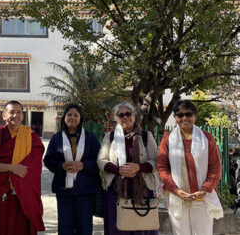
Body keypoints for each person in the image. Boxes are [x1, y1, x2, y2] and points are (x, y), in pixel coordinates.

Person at [157, 100, 223, 235]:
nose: (184, 118)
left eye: (188, 114)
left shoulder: (206, 138)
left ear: (195, 116)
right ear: (175, 118)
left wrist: (205, 189)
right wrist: (175, 190)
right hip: (178, 197)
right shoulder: (168, 139)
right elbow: (162, 168)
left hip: (201, 197)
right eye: (180, 115)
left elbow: (215, 168)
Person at [0, 100, 45, 235]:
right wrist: (12, 168)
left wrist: (21, 178)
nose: (15, 115)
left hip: (23, 193)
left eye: (19, 112)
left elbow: (34, 167)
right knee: (0, 228)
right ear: (4, 115)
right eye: (11, 112)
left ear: (23, 116)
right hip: (2, 191)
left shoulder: (31, 137)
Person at [97, 101, 158, 235]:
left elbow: (155, 161)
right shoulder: (110, 137)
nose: (125, 117)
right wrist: (119, 170)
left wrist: (138, 167)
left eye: (128, 114)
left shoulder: (146, 136)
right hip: (116, 190)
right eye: (121, 115)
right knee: (117, 227)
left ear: (134, 115)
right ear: (116, 119)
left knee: (142, 226)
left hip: (142, 190)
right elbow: (101, 160)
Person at [43, 104, 100, 235]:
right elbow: (48, 160)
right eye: (69, 115)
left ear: (81, 118)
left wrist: (83, 165)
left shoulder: (90, 138)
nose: (72, 118)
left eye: (76, 115)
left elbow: (99, 161)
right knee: (65, 226)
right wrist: (61, 166)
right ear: (64, 117)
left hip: (85, 190)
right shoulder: (56, 138)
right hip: (64, 189)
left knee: (84, 226)